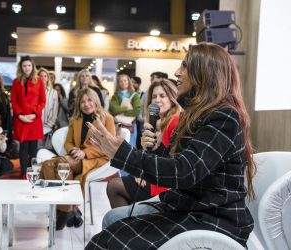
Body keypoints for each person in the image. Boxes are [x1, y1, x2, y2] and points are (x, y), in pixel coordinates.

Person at [86, 43, 256, 249]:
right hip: (187, 207)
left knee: (103, 242)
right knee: (112, 225)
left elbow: (184, 172)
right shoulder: (197, 114)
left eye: (185, 66)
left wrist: (122, 153)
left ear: (204, 72)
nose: (177, 72)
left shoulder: (224, 117)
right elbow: (185, 164)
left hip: (213, 219)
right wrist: (159, 149)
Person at [104, 79, 181, 226]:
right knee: (114, 186)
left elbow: (170, 161)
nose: (157, 100)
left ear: (172, 97)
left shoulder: (174, 121)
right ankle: (132, 229)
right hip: (154, 175)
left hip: (163, 185)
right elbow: (150, 154)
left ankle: (128, 230)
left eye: (162, 96)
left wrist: (144, 172)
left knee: (114, 187)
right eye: (154, 96)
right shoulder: (158, 120)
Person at [40, 88, 115, 230]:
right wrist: (72, 150)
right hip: (75, 157)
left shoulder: (107, 119)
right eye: (83, 102)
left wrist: (85, 153)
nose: (86, 104)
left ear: (96, 101)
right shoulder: (75, 120)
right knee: (48, 165)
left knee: (61, 164)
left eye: (89, 100)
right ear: (79, 105)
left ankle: (62, 214)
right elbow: (68, 142)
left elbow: (109, 145)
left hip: (96, 158)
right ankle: (69, 210)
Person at [11, 56, 46, 178]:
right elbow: (14, 101)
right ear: (21, 67)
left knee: (32, 149)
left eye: (29, 65)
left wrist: (34, 114)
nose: (26, 68)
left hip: (34, 120)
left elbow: (42, 101)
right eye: (24, 66)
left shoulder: (39, 81)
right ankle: (23, 174)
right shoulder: (16, 82)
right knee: (23, 149)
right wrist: (20, 115)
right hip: (21, 120)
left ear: (33, 67)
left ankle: (32, 173)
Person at [109, 74, 141, 147]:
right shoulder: (115, 96)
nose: (123, 82)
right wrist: (127, 108)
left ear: (128, 82)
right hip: (118, 125)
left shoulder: (135, 96)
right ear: (118, 83)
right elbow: (113, 109)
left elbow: (137, 111)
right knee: (118, 147)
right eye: (121, 81)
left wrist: (120, 110)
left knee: (130, 146)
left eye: (125, 80)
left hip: (131, 125)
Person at [37, 67, 59, 149]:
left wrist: (50, 124)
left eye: (45, 76)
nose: (43, 78)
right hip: (35, 125)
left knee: (45, 149)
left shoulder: (53, 92)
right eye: (41, 76)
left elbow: (55, 110)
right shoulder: (34, 91)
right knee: (35, 149)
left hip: (47, 126)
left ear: (47, 78)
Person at [131, 76, 144, 150]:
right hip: (130, 120)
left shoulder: (143, 94)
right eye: (131, 82)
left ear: (138, 84)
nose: (132, 84)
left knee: (139, 138)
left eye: (134, 82)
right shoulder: (129, 94)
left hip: (139, 120)